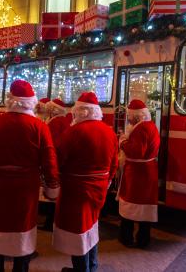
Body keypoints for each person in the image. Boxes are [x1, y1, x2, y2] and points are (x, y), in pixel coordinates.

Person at [0, 80, 59, 272]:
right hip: (26, 187)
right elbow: (49, 161)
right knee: (24, 225)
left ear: (10, 100)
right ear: (31, 102)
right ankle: (20, 267)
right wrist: (52, 187)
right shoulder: (39, 127)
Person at [53, 92, 118, 272]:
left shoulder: (74, 131)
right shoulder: (109, 132)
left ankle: (81, 269)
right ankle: (92, 266)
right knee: (92, 228)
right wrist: (108, 180)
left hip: (76, 190)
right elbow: (114, 163)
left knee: (78, 233)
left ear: (80, 111)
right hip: (99, 188)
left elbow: (59, 158)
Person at [118, 99, 160, 249]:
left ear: (136, 116)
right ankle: (143, 239)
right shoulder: (151, 126)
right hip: (147, 171)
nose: (128, 117)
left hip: (137, 173)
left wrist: (122, 142)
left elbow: (136, 152)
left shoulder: (141, 129)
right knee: (145, 210)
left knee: (130, 206)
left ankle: (126, 237)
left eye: (129, 115)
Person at [40, 98, 71, 231]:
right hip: (60, 161)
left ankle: (50, 222)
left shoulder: (55, 123)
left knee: (53, 192)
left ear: (53, 110)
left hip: (55, 161)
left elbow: (50, 143)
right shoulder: (62, 121)